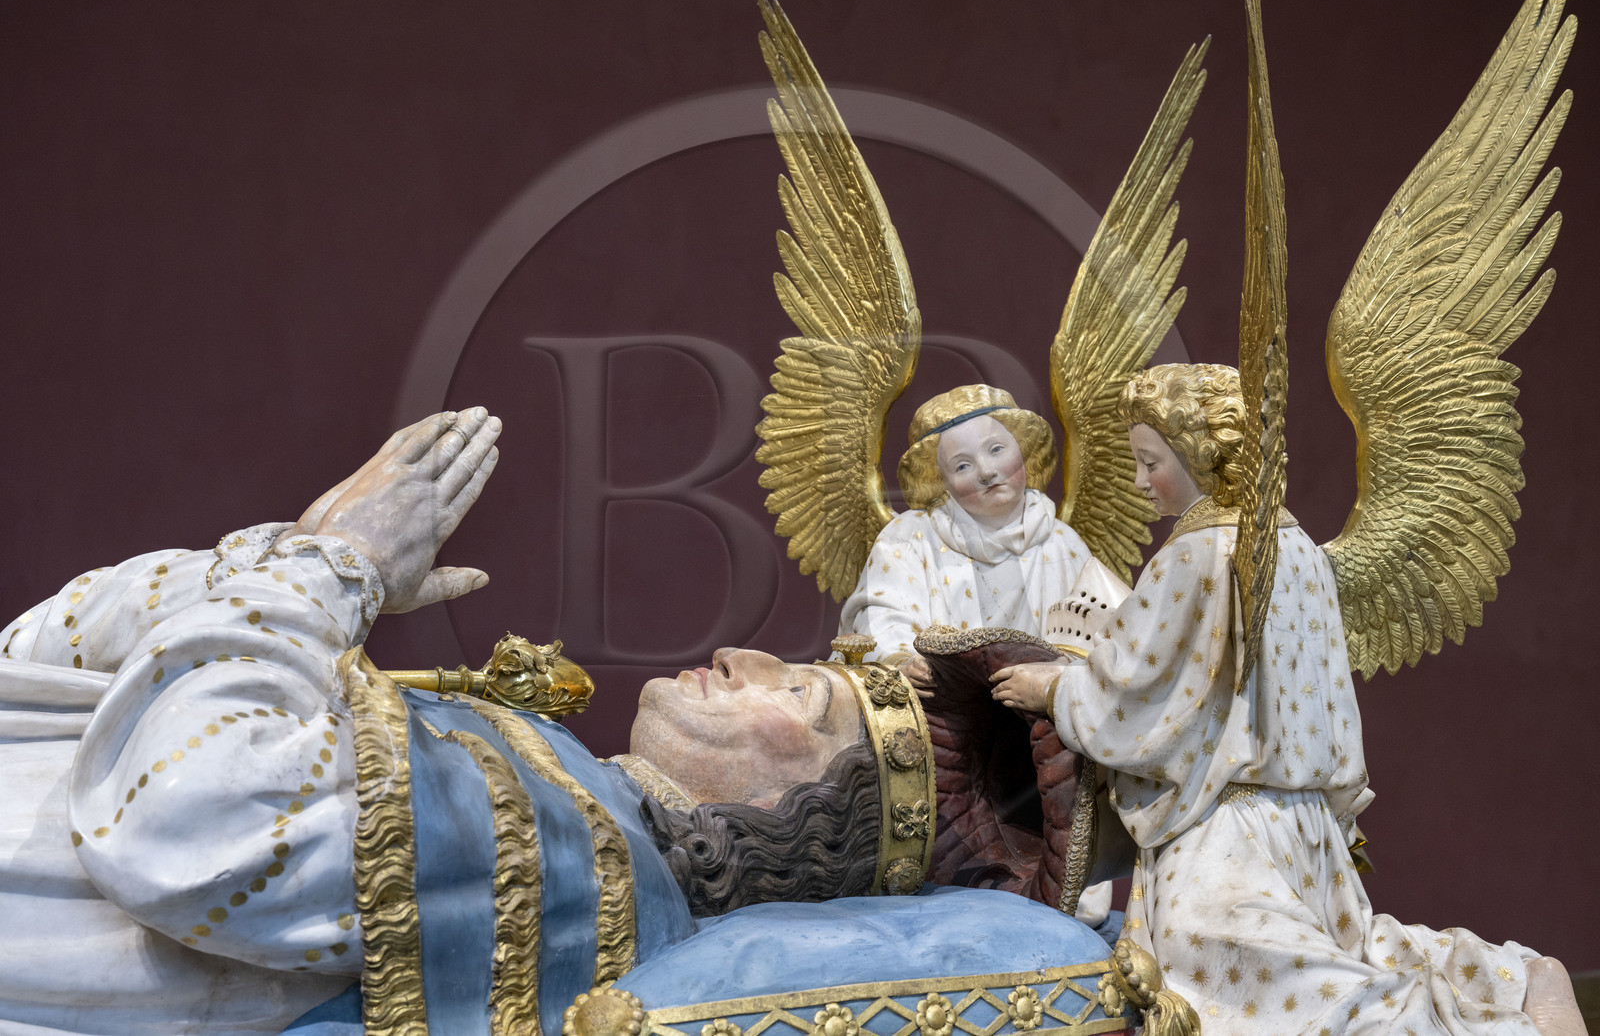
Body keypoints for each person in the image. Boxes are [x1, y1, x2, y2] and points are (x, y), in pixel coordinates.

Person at [0, 408, 1121, 1036]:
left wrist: (322, 568)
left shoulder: (563, 851)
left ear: (794, 821)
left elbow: (193, 821)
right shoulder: (559, 786)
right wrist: (291, 566)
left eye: (809, 688)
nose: (748, 652)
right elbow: (40, 663)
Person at [989, 364, 1585, 1035]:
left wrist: (1056, 686)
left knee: (1264, 992)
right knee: (1346, 949)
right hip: (1304, 822)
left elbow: (1136, 689)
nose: (1138, 480)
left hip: (1228, 830)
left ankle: (1500, 1028)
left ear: (1198, 455)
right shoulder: (1293, 545)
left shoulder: (1194, 555)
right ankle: (1506, 975)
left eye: (1149, 461)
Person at [840, 383, 1095, 687]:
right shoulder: (908, 538)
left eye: (996, 450)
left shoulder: (1063, 543)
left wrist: (1057, 673)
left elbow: (1097, 636)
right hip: (945, 707)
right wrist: (903, 660)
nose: (986, 472)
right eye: (963, 466)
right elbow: (882, 616)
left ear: (1023, 451)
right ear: (942, 482)